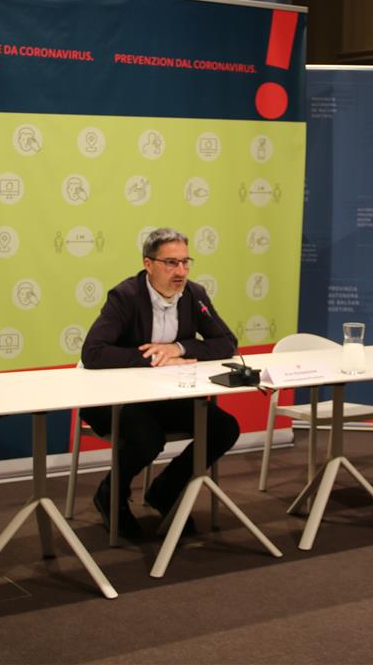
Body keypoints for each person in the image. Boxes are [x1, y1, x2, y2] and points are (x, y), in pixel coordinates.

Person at [80, 227, 240, 539]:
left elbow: (227, 343)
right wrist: (155, 357)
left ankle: (166, 489)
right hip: (116, 400)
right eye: (170, 263)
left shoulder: (194, 295)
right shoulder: (125, 296)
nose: (180, 271)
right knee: (147, 437)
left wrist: (179, 348)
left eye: (185, 262)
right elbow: (94, 353)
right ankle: (110, 494)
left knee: (224, 427)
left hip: (165, 398)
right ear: (148, 264)